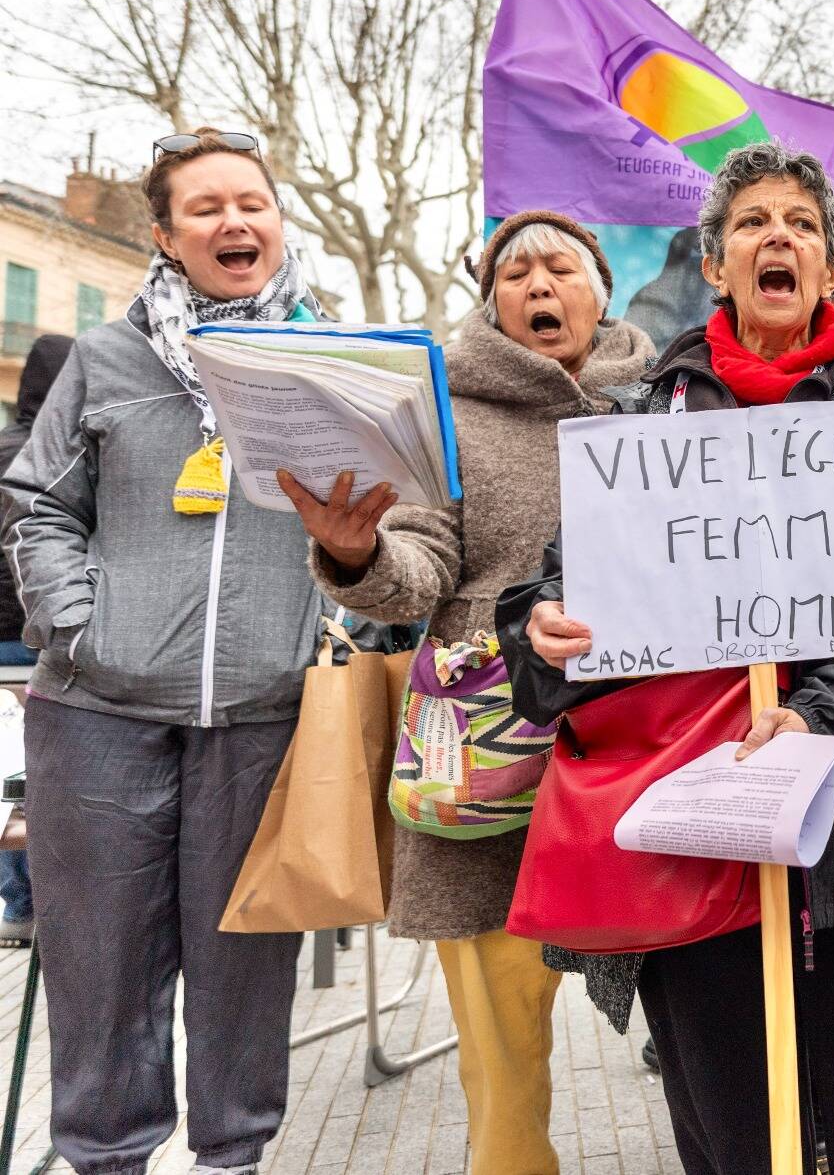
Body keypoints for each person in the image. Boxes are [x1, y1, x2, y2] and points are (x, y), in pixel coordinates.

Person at [497, 141, 834, 1174]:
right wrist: (542, 624)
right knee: (734, 1143)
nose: (779, 236)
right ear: (716, 266)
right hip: (699, 854)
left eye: (803, 225)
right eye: (752, 223)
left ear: (831, 268)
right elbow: (560, 603)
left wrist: (821, 726)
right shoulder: (640, 430)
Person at [282, 211, 653, 1175]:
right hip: (490, 757)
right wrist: (355, 551)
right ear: (491, 300)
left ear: (601, 288)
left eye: (560, 266)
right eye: (514, 271)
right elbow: (415, 569)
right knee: (501, 1040)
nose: (538, 285)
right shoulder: (443, 410)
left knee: (701, 1007)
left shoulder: (663, 404)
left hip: (649, 749)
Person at [1, 127, 334, 1175]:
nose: (236, 221)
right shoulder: (106, 357)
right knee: (101, 977)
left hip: (264, 718)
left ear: (279, 221)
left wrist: (333, 626)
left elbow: (396, 511)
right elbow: (38, 503)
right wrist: (77, 627)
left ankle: (232, 1160)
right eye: (206, 208)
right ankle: (107, 1161)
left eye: (253, 202)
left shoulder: (333, 360)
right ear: (165, 235)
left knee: (245, 976)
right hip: (96, 718)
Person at [0, 333, 74, 948]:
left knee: (5, 781)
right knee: (47, 775)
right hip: (44, 640)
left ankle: (18, 903)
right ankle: (51, 899)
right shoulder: (73, 451)